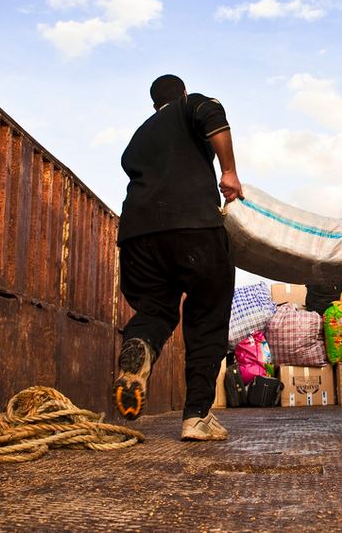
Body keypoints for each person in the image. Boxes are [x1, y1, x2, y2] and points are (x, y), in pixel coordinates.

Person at [113, 74, 243, 441]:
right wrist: (229, 172)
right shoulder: (192, 104)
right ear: (182, 93)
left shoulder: (139, 136)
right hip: (194, 226)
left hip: (138, 234)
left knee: (155, 309)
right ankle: (197, 416)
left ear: (154, 105)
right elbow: (214, 116)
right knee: (207, 314)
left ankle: (139, 348)